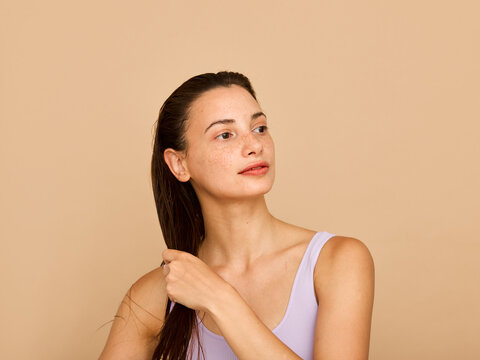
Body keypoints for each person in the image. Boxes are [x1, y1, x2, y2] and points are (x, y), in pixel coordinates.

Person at [98, 71, 375, 360]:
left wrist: (219, 298)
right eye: (225, 135)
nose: (255, 145)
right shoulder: (158, 293)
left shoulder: (337, 261)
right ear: (179, 164)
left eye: (259, 128)